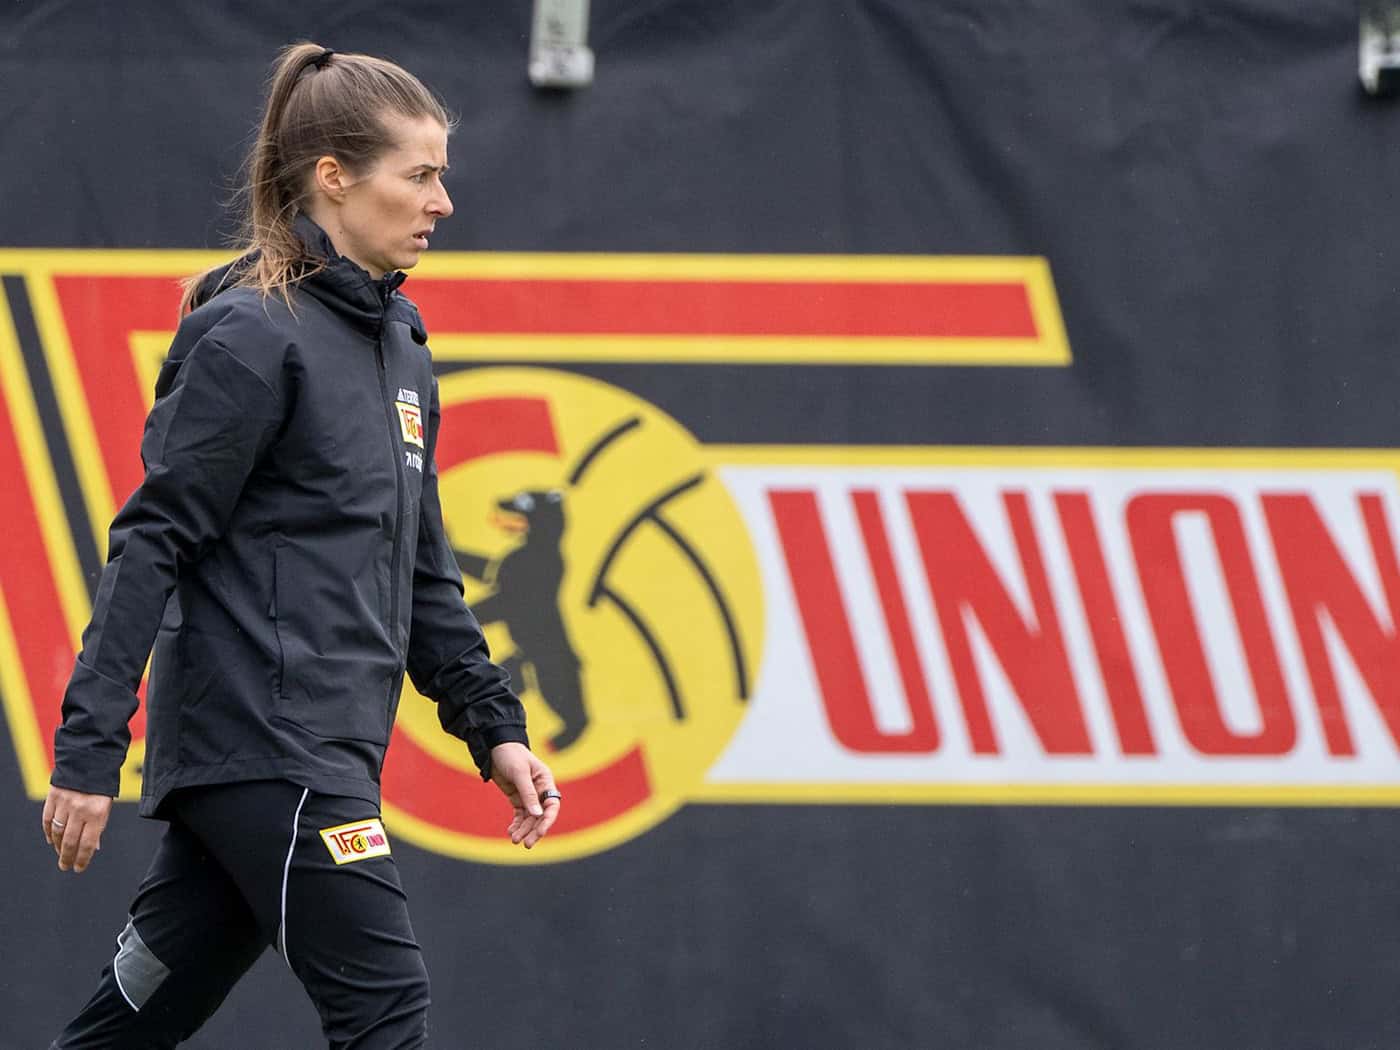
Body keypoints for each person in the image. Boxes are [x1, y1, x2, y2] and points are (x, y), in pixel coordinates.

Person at [42, 42, 560, 1049]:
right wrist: (89, 751)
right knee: (385, 1005)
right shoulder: (250, 335)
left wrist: (493, 728)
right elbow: (152, 543)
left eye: (440, 174)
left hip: (310, 756)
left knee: (125, 1028)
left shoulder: (401, 348)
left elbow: (424, 575)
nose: (442, 202)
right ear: (334, 177)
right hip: (272, 753)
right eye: (419, 175)